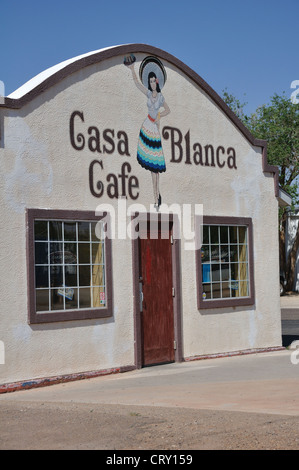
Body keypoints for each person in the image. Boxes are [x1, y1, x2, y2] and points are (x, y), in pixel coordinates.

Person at [126, 59, 170, 207]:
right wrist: (132, 69)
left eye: (153, 81)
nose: (152, 83)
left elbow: (168, 110)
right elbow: (138, 85)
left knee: (155, 167)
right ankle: (154, 197)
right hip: (147, 126)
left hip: (154, 128)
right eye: (150, 81)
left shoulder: (161, 97)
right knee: (151, 165)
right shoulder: (148, 93)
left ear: (157, 82)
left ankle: (156, 196)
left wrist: (160, 116)